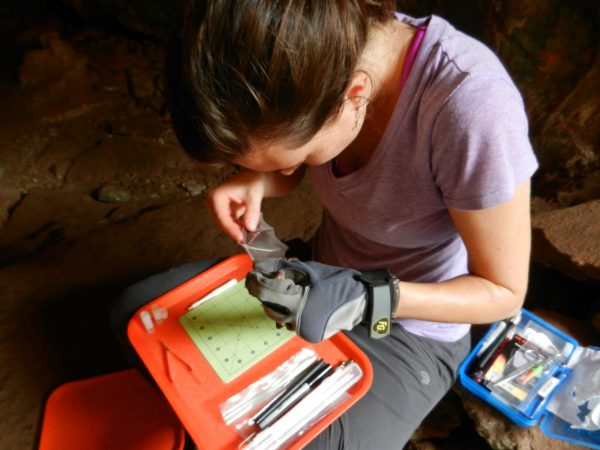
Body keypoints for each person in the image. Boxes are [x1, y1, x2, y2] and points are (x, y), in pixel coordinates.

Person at [154, 1, 539, 448]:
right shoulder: (319, 60)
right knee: (140, 318)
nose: (294, 169)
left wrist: (367, 296)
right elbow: (297, 150)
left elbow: (503, 293)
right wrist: (257, 179)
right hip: (316, 276)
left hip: (409, 327)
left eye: (299, 157)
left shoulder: (471, 108)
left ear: (354, 96)